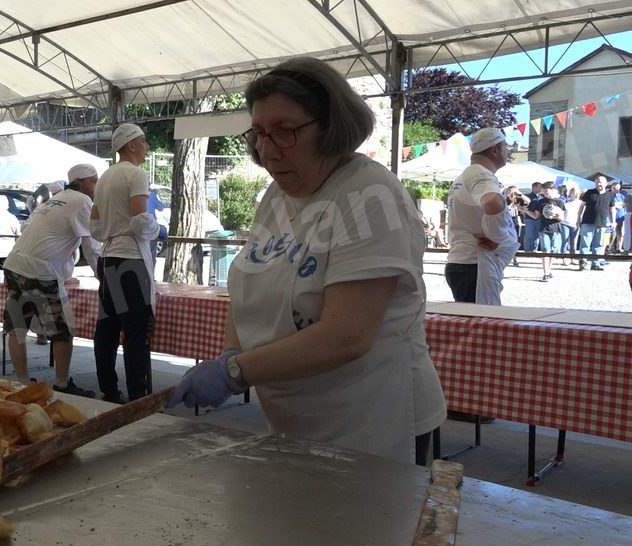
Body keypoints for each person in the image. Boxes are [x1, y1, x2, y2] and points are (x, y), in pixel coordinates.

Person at [165, 57, 446, 465]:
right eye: (259, 133)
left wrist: (236, 373)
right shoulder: (276, 197)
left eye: (286, 132)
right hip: (295, 416)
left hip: (372, 421)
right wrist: (232, 353)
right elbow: (249, 281)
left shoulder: (369, 196)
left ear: (331, 128)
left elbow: (347, 335)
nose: (266, 150)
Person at [2, 163, 101, 398]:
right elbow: (91, 247)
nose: (96, 185)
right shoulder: (82, 202)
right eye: (94, 180)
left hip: (14, 265)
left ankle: (22, 381)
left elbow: (51, 240)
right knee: (62, 331)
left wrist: (65, 276)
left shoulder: (52, 200)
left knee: (17, 328)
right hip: (40, 271)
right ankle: (63, 383)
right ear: (84, 182)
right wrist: (103, 278)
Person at [91, 123, 159, 404]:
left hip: (107, 258)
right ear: (131, 145)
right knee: (135, 331)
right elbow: (140, 220)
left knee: (107, 327)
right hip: (129, 259)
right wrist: (157, 230)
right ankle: (137, 395)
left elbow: (94, 227)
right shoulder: (136, 174)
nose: (147, 146)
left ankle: (108, 389)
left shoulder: (105, 177)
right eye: (144, 141)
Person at [444, 127, 518, 305]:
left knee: (473, 325)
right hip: (475, 265)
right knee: (483, 326)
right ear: (494, 150)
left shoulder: (465, 176)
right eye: (505, 147)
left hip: (466, 263)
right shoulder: (481, 174)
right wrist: (497, 237)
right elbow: (492, 202)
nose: (507, 151)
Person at [523, 183, 565, 282]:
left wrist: (555, 215)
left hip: (556, 229)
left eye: (547, 190)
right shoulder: (541, 202)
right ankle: (545, 272)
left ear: (553, 190)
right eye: (544, 191)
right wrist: (526, 211)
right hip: (543, 229)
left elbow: (562, 218)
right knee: (545, 250)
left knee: (553, 251)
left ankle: (549, 271)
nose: (545, 192)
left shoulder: (560, 202)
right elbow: (536, 216)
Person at [577, 175, 615, 271]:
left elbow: (612, 209)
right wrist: (578, 218)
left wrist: (613, 221)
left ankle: (596, 264)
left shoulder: (610, 195)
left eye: (601, 182)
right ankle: (583, 263)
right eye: (597, 182)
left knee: (598, 245)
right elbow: (581, 206)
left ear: (606, 184)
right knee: (585, 244)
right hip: (588, 222)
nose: (598, 184)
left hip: (602, 223)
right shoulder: (589, 193)